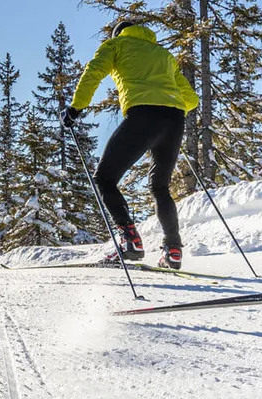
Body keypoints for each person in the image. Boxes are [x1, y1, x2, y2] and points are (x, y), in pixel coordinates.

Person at [63, 20, 199, 269]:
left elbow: (93, 72)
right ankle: (173, 250)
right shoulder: (163, 54)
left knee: (105, 178)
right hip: (174, 119)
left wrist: (75, 108)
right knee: (160, 187)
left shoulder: (115, 45)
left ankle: (130, 241)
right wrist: (168, 105)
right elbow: (191, 99)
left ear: (118, 33)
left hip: (143, 116)